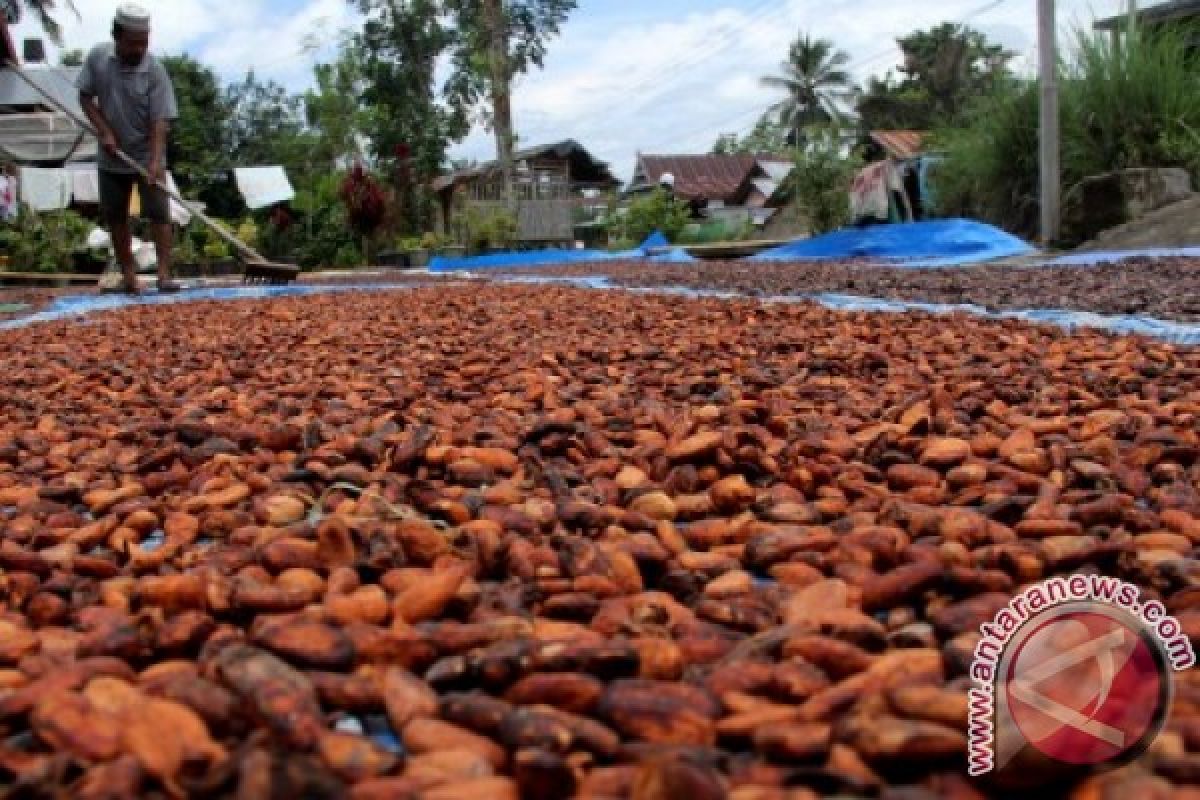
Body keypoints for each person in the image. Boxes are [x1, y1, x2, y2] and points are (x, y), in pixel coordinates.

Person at [76, 3, 180, 294]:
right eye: (133, 43)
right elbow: (85, 97)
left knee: (160, 214)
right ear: (117, 37)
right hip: (112, 155)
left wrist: (155, 162)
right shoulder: (98, 58)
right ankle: (129, 278)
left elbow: (160, 121)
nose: (139, 49)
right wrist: (105, 131)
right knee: (116, 217)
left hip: (147, 154)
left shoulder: (154, 70)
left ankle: (163, 275)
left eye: (144, 42)